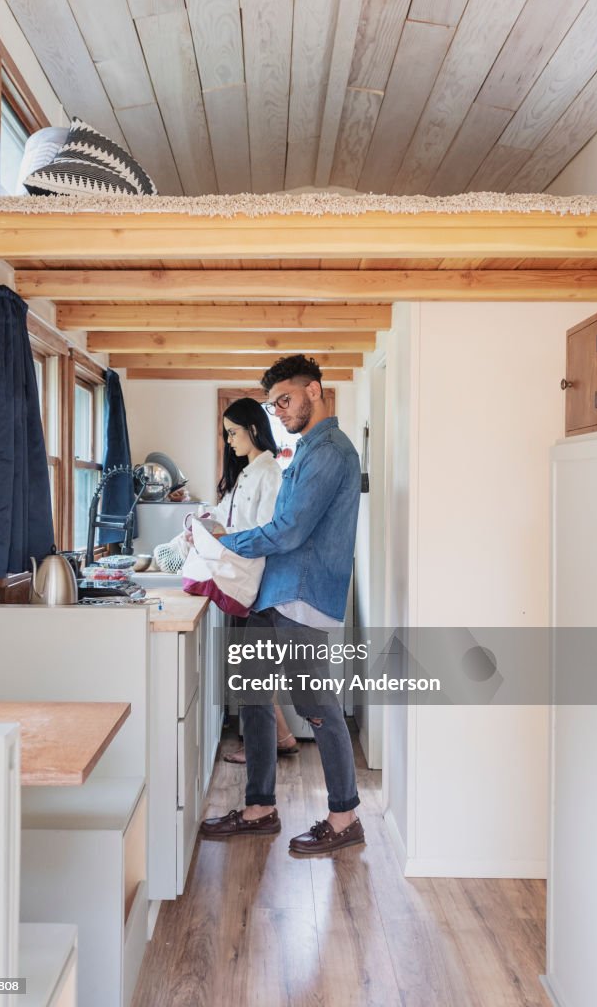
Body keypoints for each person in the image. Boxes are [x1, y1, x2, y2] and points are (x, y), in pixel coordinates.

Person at [200, 355, 364, 855]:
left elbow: (291, 530)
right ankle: (260, 807)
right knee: (252, 694)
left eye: (286, 400)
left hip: (303, 595)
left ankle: (345, 816)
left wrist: (233, 542)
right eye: (275, 405)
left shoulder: (331, 451)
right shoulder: (305, 449)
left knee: (316, 706)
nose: (281, 411)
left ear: (314, 391)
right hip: (276, 594)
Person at [211, 397, 299, 762]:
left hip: (254, 582)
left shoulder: (269, 473)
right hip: (239, 578)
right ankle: (280, 737)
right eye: (225, 434)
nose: (229, 440)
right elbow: (227, 517)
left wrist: (222, 537)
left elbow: (264, 533)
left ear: (253, 429)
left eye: (233, 432)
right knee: (252, 671)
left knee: (253, 673)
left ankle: (268, 743)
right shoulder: (246, 472)